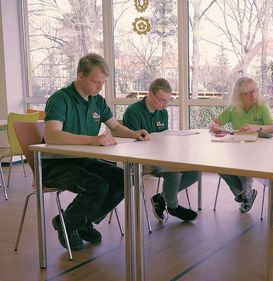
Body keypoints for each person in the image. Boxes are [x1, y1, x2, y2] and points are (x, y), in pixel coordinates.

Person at [43, 53, 150, 251]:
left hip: (82, 161)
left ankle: (78, 220)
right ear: (80, 75)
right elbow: (52, 136)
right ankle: (69, 224)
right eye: (96, 82)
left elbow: (115, 127)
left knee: (124, 178)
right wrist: (93, 140)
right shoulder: (60, 99)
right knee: (98, 186)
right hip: (56, 164)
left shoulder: (97, 101)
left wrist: (134, 133)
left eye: (103, 83)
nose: (100, 87)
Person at [123, 78, 199, 222]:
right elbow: (132, 143)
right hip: (140, 159)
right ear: (150, 94)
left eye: (168, 101)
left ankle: (161, 198)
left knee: (194, 172)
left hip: (160, 155)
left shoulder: (162, 112)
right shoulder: (133, 112)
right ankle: (172, 206)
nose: (165, 105)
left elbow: (163, 137)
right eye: (162, 100)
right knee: (173, 171)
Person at [208, 77, 273, 213]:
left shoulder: (262, 106)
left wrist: (256, 127)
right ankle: (244, 194)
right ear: (239, 95)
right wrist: (215, 127)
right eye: (248, 93)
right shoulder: (233, 109)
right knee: (218, 164)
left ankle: (246, 194)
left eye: (255, 91)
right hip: (238, 148)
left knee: (244, 162)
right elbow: (213, 124)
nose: (253, 95)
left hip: (260, 150)